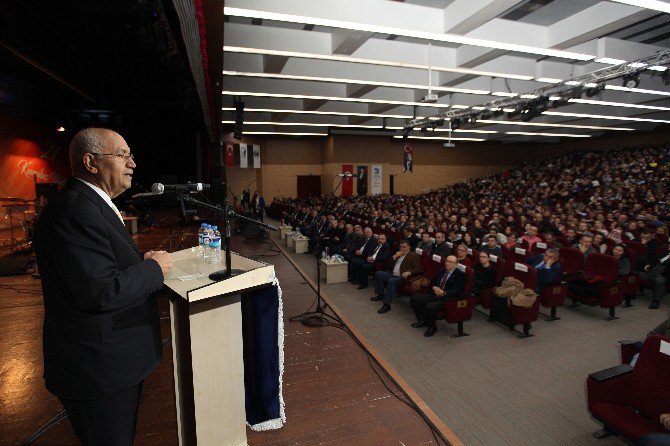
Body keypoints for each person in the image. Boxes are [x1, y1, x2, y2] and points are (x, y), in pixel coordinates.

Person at [33, 128, 173, 445]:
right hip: (96, 370)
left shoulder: (90, 204)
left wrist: (140, 265)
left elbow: (104, 268)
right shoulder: (73, 212)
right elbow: (100, 291)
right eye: (122, 155)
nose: (132, 163)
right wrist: (154, 268)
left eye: (131, 155)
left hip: (110, 365)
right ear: (91, 162)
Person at [410, 255, 465, 337]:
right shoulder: (443, 270)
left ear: (456, 264)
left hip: (447, 299)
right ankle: (423, 320)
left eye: (451, 262)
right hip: (435, 294)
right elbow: (432, 281)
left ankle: (432, 328)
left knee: (429, 307)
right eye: (447, 261)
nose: (448, 263)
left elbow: (458, 291)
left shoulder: (460, 275)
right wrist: (434, 287)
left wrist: (444, 293)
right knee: (415, 299)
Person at [371, 239, 422, 314]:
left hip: (401, 277)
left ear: (409, 247)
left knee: (391, 281)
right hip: (392, 274)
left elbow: (419, 268)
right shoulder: (397, 254)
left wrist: (409, 272)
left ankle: (386, 304)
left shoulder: (413, 255)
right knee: (378, 273)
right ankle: (380, 294)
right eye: (400, 247)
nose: (402, 249)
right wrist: (394, 256)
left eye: (404, 247)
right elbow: (387, 265)